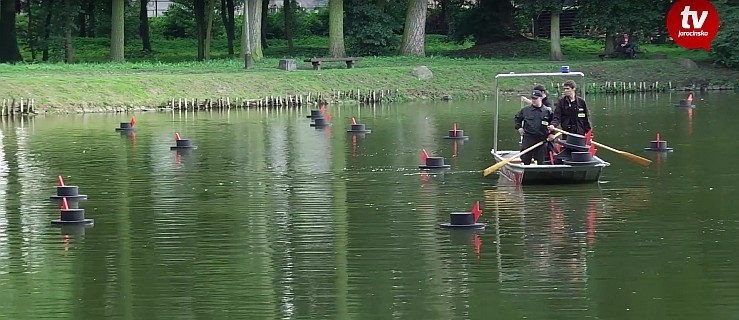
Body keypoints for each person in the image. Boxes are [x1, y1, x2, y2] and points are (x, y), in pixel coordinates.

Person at [514, 90, 555, 165]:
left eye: (535, 98)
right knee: (526, 159)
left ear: (541, 98)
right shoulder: (525, 110)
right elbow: (517, 119)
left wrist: (552, 133)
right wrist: (519, 127)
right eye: (532, 98)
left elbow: (553, 123)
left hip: (542, 140)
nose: (533, 100)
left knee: (541, 161)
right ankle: (525, 172)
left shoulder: (547, 111)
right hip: (528, 139)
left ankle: (540, 174)